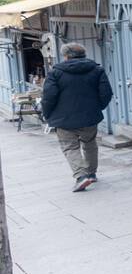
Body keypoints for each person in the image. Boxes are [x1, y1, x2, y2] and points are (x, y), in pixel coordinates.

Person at [40, 42, 114, 192]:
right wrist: (96, 108)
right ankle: (91, 173)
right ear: (84, 54)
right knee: (90, 144)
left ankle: (81, 177)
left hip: (64, 119)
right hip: (89, 117)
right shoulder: (97, 70)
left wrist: (47, 115)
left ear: (66, 56)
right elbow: (106, 93)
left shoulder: (55, 73)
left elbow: (48, 97)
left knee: (70, 147)